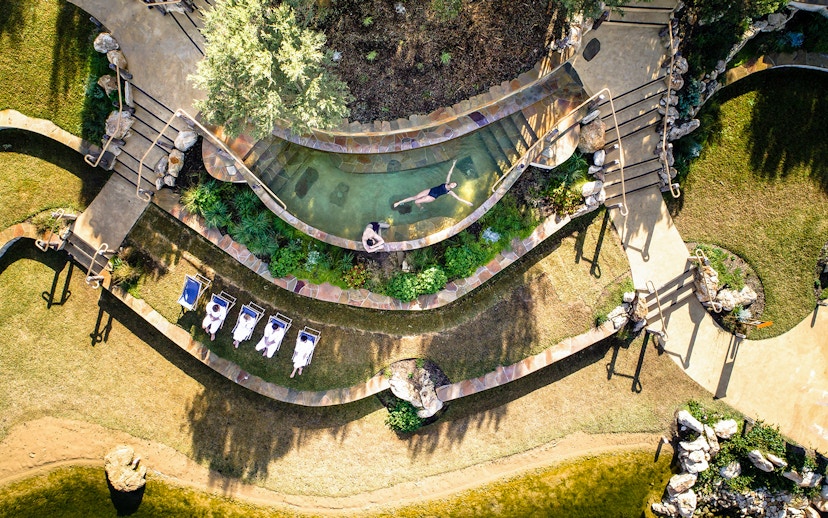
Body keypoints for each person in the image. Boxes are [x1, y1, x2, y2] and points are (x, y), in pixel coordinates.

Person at [392, 160, 473, 208]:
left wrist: (467, 202)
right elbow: (449, 173)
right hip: (430, 190)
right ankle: (399, 202)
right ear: (451, 182)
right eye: (453, 183)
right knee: (415, 197)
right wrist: (453, 164)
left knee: (416, 202)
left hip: (432, 197)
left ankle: (420, 207)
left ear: (453, 188)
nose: (453, 184)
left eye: (454, 185)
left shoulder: (449, 192)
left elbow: (458, 198)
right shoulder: (446, 182)